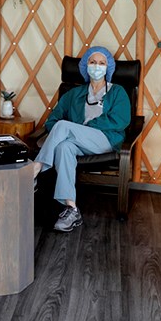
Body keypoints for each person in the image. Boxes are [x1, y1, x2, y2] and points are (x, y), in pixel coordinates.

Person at [32, 46, 131, 232]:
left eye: (102, 63)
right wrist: (64, 134)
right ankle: (71, 208)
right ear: (85, 66)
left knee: (63, 126)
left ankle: (36, 169)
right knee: (64, 147)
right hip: (79, 141)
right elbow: (52, 120)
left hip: (106, 139)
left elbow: (120, 120)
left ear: (108, 68)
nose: (97, 66)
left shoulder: (118, 92)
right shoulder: (73, 94)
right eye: (92, 62)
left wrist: (77, 129)